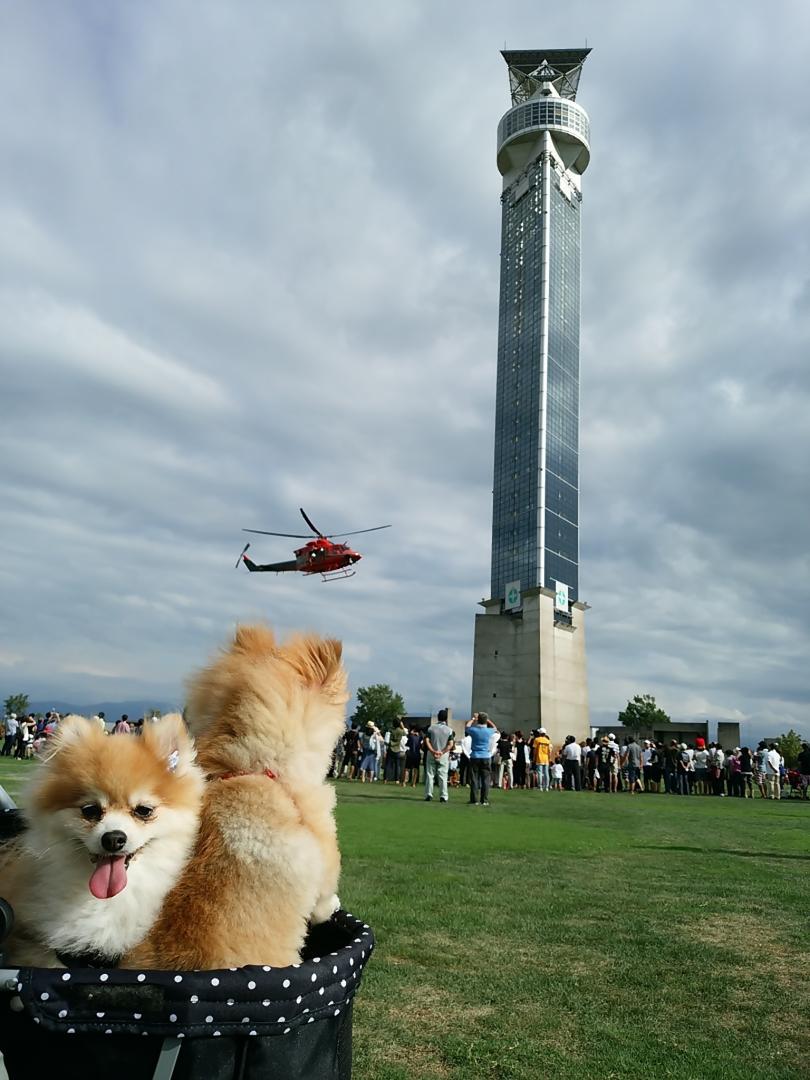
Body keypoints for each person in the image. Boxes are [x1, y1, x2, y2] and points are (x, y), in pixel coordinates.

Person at [466, 712, 497, 806]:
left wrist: (473, 719)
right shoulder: (489, 731)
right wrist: (487, 720)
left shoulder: (474, 730)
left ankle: (474, 799)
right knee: (485, 779)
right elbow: (495, 728)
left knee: (474, 779)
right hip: (486, 756)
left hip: (475, 755)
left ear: (478, 720)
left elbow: (467, 727)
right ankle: (484, 800)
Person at [423, 708, 454, 803]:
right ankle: (443, 796)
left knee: (430, 774)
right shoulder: (449, 730)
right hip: (443, 754)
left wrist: (432, 751)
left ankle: (429, 794)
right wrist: (442, 752)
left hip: (432, 753)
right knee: (443, 776)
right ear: (446, 718)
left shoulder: (431, 728)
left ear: (438, 717)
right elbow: (451, 744)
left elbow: (426, 740)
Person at [532, 727, 552, 792]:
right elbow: (549, 751)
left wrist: (534, 758)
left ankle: (540, 787)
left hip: (539, 757)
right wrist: (549, 758)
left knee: (540, 773)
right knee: (546, 773)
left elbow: (535, 750)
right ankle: (546, 787)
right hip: (546, 758)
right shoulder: (548, 741)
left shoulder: (537, 739)